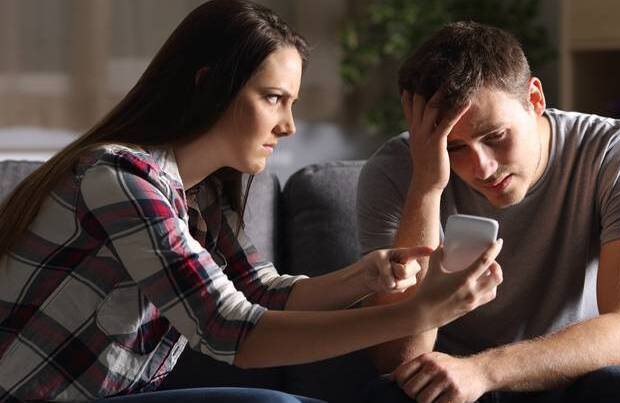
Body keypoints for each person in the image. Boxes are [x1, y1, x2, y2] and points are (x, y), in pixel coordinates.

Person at [0, 3, 504, 402]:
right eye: (273, 98)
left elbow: (260, 290)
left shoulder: (202, 194)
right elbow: (228, 328)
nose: (288, 126)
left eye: (292, 103)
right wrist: (419, 314)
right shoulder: (117, 179)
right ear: (208, 86)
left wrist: (366, 277)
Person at [357, 22, 620, 403]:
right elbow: (397, 358)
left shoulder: (612, 151)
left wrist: (485, 371)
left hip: (565, 378)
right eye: (454, 148)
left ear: (534, 99)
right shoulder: (393, 171)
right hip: (448, 385)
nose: (483, 168)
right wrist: (425, 186)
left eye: (495, 136)